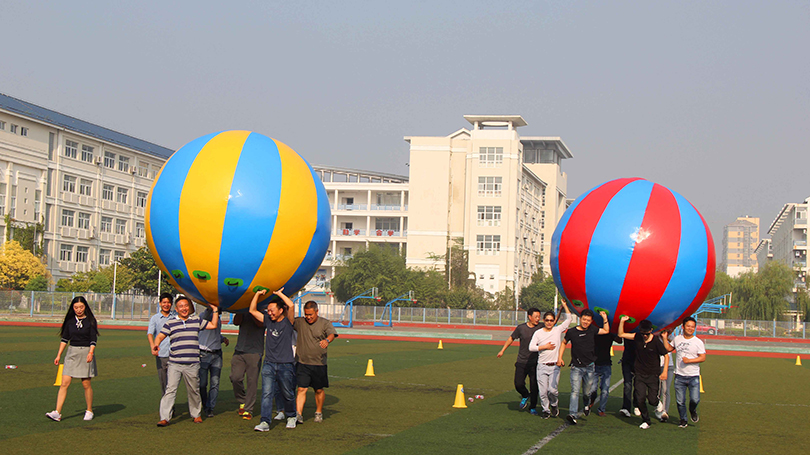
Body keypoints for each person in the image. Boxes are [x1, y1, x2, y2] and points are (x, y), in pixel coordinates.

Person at [151, 296, 220, 427]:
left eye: (186, 305)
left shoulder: (196, 320)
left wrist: (215, 310)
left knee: (194, 390)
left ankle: (196, 415)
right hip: (175, 363)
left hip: (192, 363)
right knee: (170, 390)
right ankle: (165, 417)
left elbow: (213, 325)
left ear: (190, 307)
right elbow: (160, 335)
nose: (184, 308)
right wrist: (156, 344)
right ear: (176, 309)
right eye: (181, 306)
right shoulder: (170, 323)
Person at [248, 288, 298, 431]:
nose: (269, 313)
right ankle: (265, 422)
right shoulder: (268, 321)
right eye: (268, 311)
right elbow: (252, 311)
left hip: (286, 364)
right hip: (269, 363)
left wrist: (279, 294)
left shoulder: (288, 322)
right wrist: (257, 295)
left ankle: (291, 416)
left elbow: (291, 305)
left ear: (281, 310)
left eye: (272, 310)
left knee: (288, 393)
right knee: (266, 394)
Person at [46, 296, 99, 422]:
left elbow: (93, 339)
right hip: (72, 353)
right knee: (64, 383)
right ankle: (57, 412)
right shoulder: (70, 321)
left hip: (85, 352)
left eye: (81, 307)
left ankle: (89, 410)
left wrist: (91, 352)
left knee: (86, 384)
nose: (79, 310)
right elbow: (65, 339)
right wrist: (59, 355)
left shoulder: (90, 321)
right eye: (76, 307)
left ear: (85, 307)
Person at [558, 308, 610, 425]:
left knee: (587, 392)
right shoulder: (571, 332)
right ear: (580, 319)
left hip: (590, 367)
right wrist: (560, 357)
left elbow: (606, 331)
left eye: (588, 320)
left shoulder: (592, 330)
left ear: (591, 321)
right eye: (584, 319)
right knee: (575, 391)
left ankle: (586, 404)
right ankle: (572, 414)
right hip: (576, 367)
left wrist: (604, 318)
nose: (586, 322)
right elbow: (564, 342)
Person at [617, 316, 668, 429]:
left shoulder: (655, 341)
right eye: (642, 333)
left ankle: (657, 403)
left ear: (651, 331)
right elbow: (621, 334)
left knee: (652, 400)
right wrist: (622, 321)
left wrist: (664, 371)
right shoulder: (637, 337)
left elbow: (666, 354)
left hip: (653, 374)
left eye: (646, 333)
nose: (644, 335)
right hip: (639, 373)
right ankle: (646, 421)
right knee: (639, 399)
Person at [294, 301, 338, 423]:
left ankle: (318, 412)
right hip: (302, 363)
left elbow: (331, 334)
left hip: (319, 364)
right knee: (301, 389)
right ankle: (299, 414)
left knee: (318, 389)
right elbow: (288, 319)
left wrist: (327, 341)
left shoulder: (324, 323)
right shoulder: (299, 322)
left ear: (317, 312)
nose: (308, 317)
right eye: (306, 314)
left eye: (311, 314)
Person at [528, 303, 572, 418]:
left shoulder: (557, 330)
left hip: (554, 366)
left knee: (552, 391)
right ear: (544, 320)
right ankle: (546, 410)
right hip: (542, 365)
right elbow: (531, 347)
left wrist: (564, 306)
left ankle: (554, 405)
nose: (549, 322)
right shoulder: (538, 333)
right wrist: (544, 347)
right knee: (542, 392)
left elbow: (569, 319)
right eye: (547, 320)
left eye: (551, 320)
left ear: (554, 321)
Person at [662, 317, 706, 428]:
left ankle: (692, 410)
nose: (690, 328)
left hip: (693, 376)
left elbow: (702, 358)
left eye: (692, 326)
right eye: (688, 326)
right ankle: (683, 420)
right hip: (679, 375)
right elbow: (668, 348)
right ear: (683, 327)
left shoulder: (698, 342)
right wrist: (664, 338)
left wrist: (690, 361)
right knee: (680, 401)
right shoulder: (677, 339)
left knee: (695, 399)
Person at [497, 308, 542, 415]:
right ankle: (525, 395)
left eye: (539, 316)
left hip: (535, 362)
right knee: (518, 384)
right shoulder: (521, 328)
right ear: (529, 317)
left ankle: (533, 407)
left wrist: (561, 310)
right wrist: (502, 350)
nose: (538, 319)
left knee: (534, 387)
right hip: (522, 361)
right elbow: (511, 338)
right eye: (535, 317)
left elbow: (553, 323)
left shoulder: (541, 327)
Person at [230, 312, 266, 420]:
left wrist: (252, 311)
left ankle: (248, 409)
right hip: (239, 350)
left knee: (252, 381)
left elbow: (260, 324)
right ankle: (242, 400)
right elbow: (236, 322)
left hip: (255, 351)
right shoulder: (243, 310)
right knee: (235, 377)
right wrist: (242, 308)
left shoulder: (263, 312)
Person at [198, 306, 230, 418]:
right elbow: (206, 322)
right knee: (202, 383)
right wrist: (212, 307)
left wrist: (222, 339)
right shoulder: (203, 316)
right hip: (203, 353)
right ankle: (204, 404)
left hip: (217, 354)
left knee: (215, 383)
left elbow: (214, 333)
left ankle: (210, 408)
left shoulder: (218, 319)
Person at [147, 293, 176, 396]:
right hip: (162, 353)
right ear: (160, 303)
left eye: (168, 302)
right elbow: (150, 333)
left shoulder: (176, 317)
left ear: (171, 304)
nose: (166, 304)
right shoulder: (155, 318)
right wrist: (152, 346)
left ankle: (171, 406)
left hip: (175, 354)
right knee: (164, 382)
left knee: (173, 383)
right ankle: (166, 408)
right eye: (164, 302)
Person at [589, 332, 622, 417]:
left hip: (606, 365)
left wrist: (616, 332)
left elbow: (619, 341)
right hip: (594, 365)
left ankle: (601, 409)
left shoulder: (610, 333)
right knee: (592, 389)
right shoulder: (594, 331)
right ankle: (591, 400)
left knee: (605, 390)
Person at [619, 331, 638, 418]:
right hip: (627, 361)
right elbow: (619, 338)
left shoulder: (641, 333)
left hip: (639, 362)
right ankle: (626, 408)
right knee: (627, 384)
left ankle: (637, 405)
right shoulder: (626, 330)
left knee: (638, 385)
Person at [658, 331, 674, 422]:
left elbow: (668, 349)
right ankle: (658, 407)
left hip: (668, 366)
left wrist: (665, 337)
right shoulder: (653, 336)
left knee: (666, 390)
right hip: (655, 366)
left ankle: (665, 412)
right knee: (656, 390)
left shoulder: (671, 337)